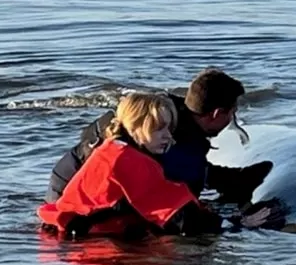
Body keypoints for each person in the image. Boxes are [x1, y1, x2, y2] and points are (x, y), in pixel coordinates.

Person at [38, 92, 283, 240]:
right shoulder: (128, 160)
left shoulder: (117, 150)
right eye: (159, 129)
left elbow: (165, 200)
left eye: (169, 128)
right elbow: (180, 218)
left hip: (73, 233)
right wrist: (240, 225)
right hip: (84, 242)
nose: (169, 137)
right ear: (136, 128)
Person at [45, 67, 273, 205]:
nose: (232, 120)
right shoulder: (181, 143)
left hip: (65, 177)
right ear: (215, 114)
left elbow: (88, 134)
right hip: (78, 199)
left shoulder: (156, 109)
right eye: (232, 113)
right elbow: (181, 203)